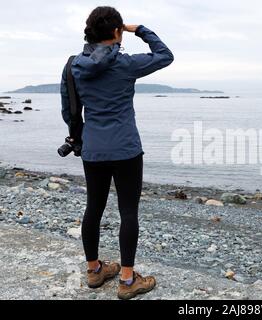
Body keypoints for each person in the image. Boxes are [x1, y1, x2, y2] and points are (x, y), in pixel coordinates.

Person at [60, 6, 174, 300]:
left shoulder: (74, 65)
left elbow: (69, 111)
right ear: (116, 32)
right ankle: (126, 280)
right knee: (128, 211)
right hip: (126, 149)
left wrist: (78, 136)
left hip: (93, 149)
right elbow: (165, 55)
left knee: (93, 208)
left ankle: (95, 270)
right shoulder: (126, 64)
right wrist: (141, 30)